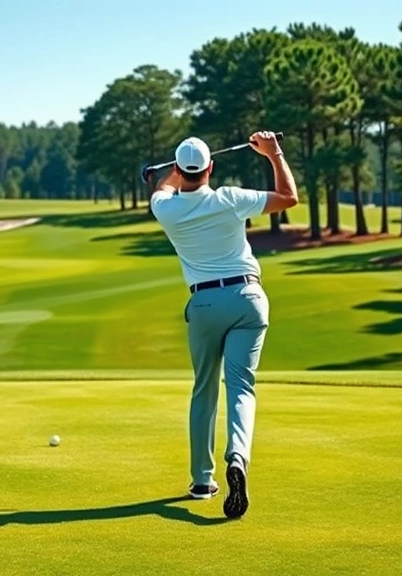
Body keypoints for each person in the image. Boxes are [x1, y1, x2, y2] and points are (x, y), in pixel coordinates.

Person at [146, 131, 298, 519]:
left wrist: (171, 172)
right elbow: (288, 197)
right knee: (241, 388)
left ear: (179, 170)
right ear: (211, 168)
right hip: (248, 299)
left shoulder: (166, 209)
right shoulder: (230, 198)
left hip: (204, 303)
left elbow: (164, 187)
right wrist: (273, 153)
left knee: (204, 389)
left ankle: (201, 481)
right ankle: (238, 459)